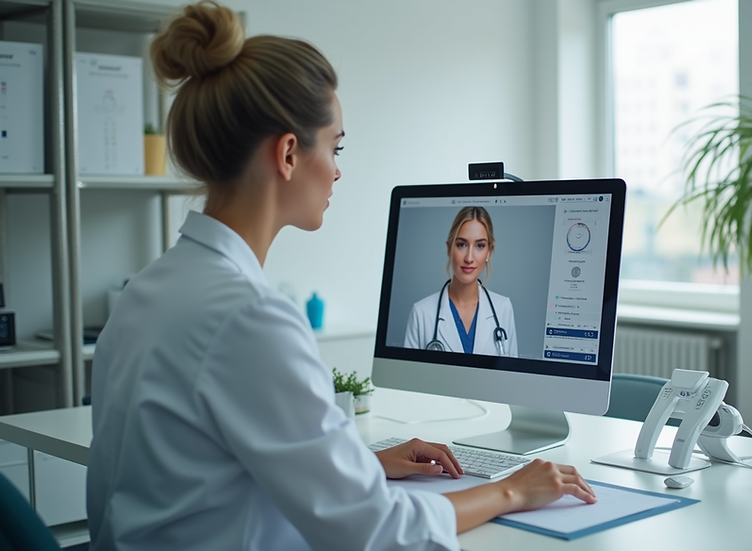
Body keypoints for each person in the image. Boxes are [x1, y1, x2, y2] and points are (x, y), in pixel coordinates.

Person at [85, 3, 595, 550]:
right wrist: (511, 492)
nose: (338, 168)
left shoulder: (151, 289)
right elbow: (375, 531)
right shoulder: (249, 318)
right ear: (287, 153)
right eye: (336, 145)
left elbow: (210, 467)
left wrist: (362, 466)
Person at [404, 207, 518, 356]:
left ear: (489, 251)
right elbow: (408, 378)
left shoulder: (503, 308)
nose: (469, 258)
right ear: (449, 248)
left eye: (480, 246)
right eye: (462, 245)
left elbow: (511, 378)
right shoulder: (421, 313)